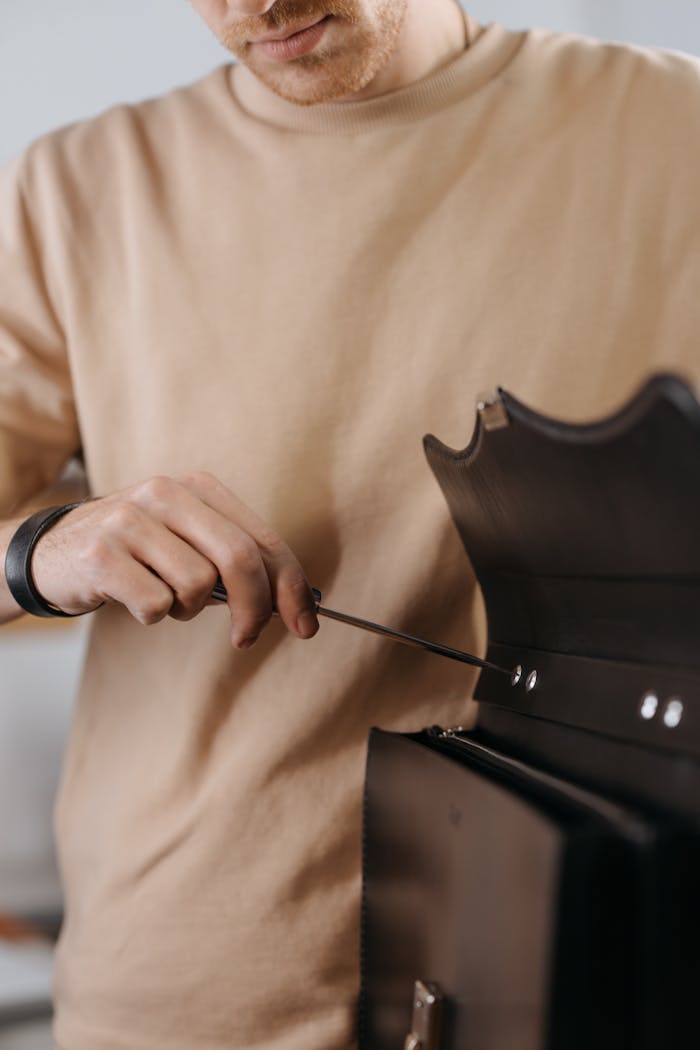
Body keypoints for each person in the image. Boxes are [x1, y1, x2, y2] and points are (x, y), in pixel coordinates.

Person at [1, 1, 699, 1047]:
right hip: (193, 994)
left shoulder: (672, 128)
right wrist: (37, 552)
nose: (254, 8)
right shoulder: (72, 189)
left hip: (594, 975)